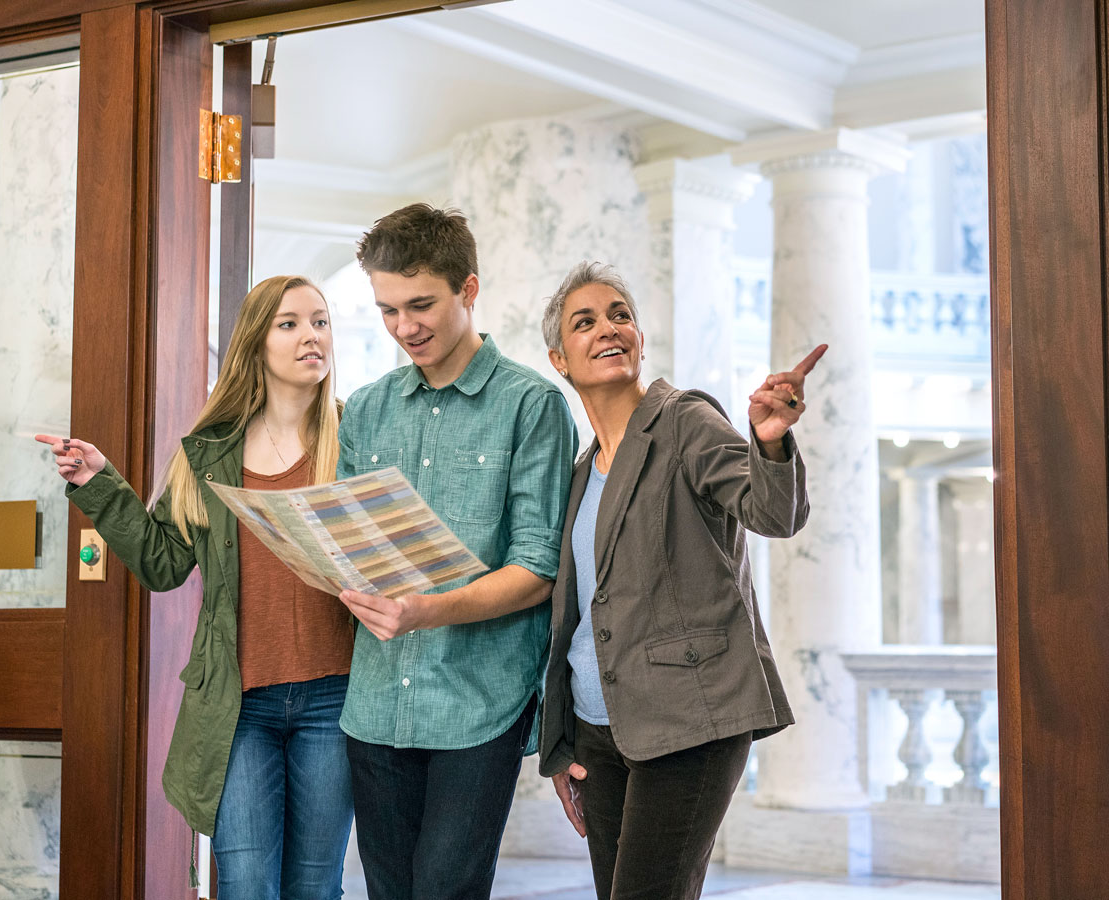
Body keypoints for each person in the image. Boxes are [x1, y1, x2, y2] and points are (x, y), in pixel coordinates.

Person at [35, 275, 354, 900]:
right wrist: (100, 482)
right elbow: (162, 563)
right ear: (255, 344)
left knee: (316, 887)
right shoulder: (208, 453)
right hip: (237, 707)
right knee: (243, 885)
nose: (311, 336)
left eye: (320, 321)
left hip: (336, 700)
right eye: (289, 323)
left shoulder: (357, 436)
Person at [536, 261, 822, 900]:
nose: (610, 327)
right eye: (586, 322)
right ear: (559, 358)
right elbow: (575, 615)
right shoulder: (582, 472)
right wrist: (558, 742)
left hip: (689, 719)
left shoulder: (684, 419)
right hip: (598, 730)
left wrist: (769, 443)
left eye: (621, 315)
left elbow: (770, 511)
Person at [335, 203, 579, 900]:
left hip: (477, 703)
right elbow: (351, 545)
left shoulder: (532, 405)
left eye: (421, 305)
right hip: (377, 702)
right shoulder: (369, 407)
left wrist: (426, 611)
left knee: (445, 891)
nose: (404, 328)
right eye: (386, 310)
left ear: (467, 290)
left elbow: (537, 569)